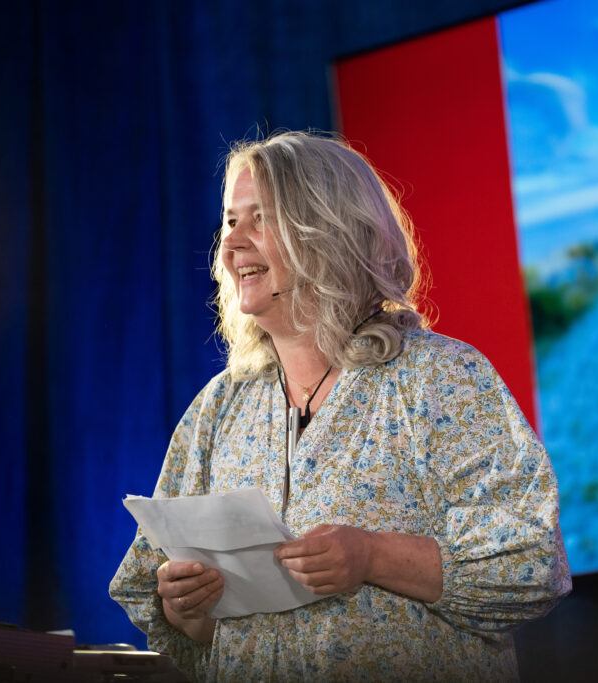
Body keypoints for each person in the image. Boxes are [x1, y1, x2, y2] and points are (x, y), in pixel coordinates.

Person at [109, 131, 571, 681]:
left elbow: (530, 563)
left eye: (260, 219)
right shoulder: (218, 409)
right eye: (230, 222)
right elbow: (178, 616)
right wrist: (186, 609)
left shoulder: (438, 379)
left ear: (328, 232)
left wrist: (373, 555)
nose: (231, 245)